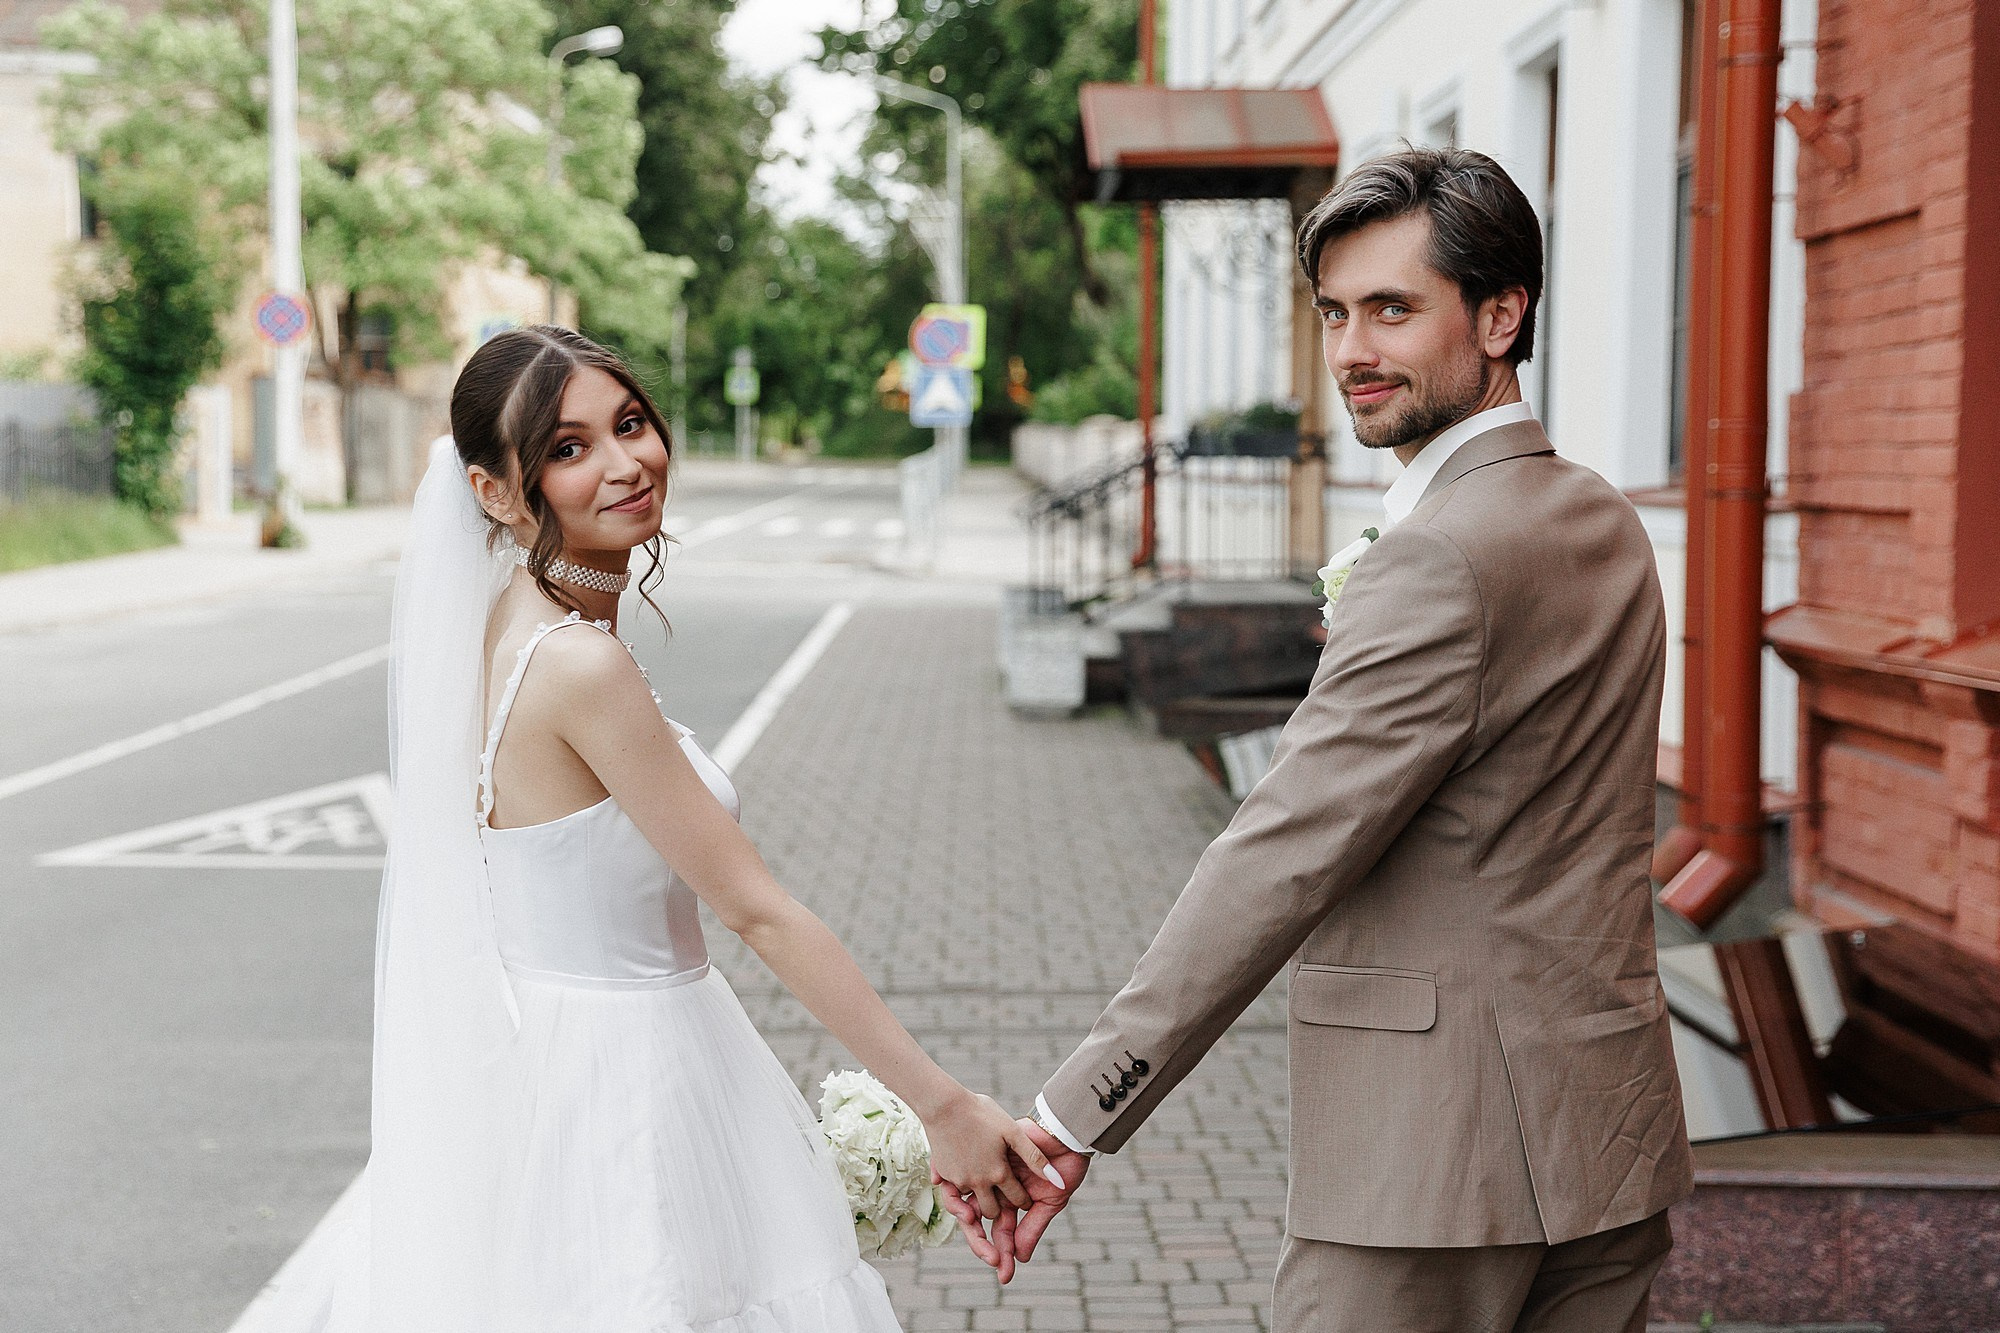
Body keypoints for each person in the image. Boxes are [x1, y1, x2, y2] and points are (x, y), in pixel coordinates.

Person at [960, 146, 1695, 1332]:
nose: (1351, 351)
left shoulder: (1437, 555)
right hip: (1604, 1139)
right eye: (1334, 313)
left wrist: (1069, 1114)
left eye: (1393, 310)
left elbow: (1283, 849)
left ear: (1500, 315)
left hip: (1430, 1171)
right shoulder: (1600, 518)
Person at [271, 325, 1056, 1332]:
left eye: (630, 424)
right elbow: (756, 910)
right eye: (568, 448)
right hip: (625, 1076)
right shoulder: (578, 667)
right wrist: (941, 1106)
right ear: (497, 492)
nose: (624, 462)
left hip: (549, 1061)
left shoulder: (505, 628)